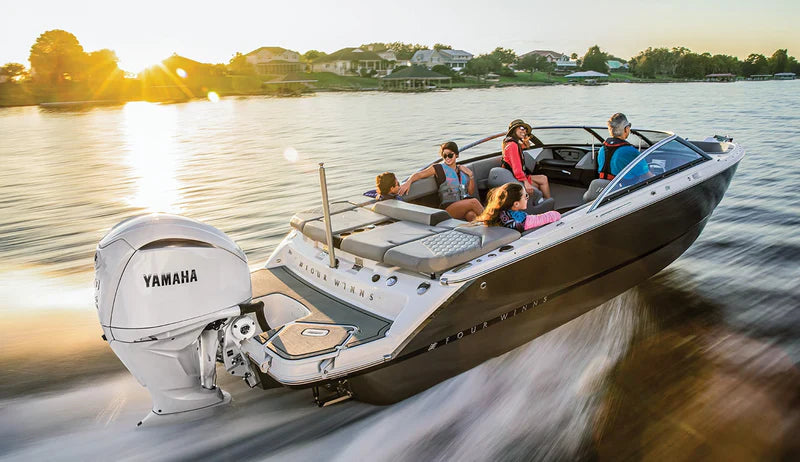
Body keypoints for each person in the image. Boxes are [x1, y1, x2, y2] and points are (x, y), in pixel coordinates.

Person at [397, 141, 484, 221]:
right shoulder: (438, 168)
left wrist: (471, 175)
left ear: (456, 155)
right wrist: (408, 182)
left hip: (462, 205)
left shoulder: (462, 171)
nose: (447, 158)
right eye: (444, 156)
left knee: (471, 215)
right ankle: (491, 220)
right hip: (448, 208)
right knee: (474, 202)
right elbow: (419, 175)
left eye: (450, 155)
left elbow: (470, 192)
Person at [477, 182, 561, 232]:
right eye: (525, 196)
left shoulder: (496, 214)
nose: (527, 198)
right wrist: (556, 213)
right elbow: (551, 216)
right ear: (516, 204)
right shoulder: (521, 220)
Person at [502, 119, 551, 199]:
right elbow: (517, 168)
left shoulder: (512, 143)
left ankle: (544, 201)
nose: (524, 131)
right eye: (521, 128)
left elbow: (536, 145)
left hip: (515, 175)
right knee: (542, 180)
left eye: (525, 129)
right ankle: (549, 203)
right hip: (515, 178)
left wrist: (527, 136)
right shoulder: (512, 145)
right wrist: (525, 182)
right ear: (514, 130)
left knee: (541, 180)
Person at [597, 113, 651, 180]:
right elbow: (647, 176)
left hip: (604, 185)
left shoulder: (602, 149)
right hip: (625, 186)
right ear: (626, 129)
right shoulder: (630, 151)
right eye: (629, 126)